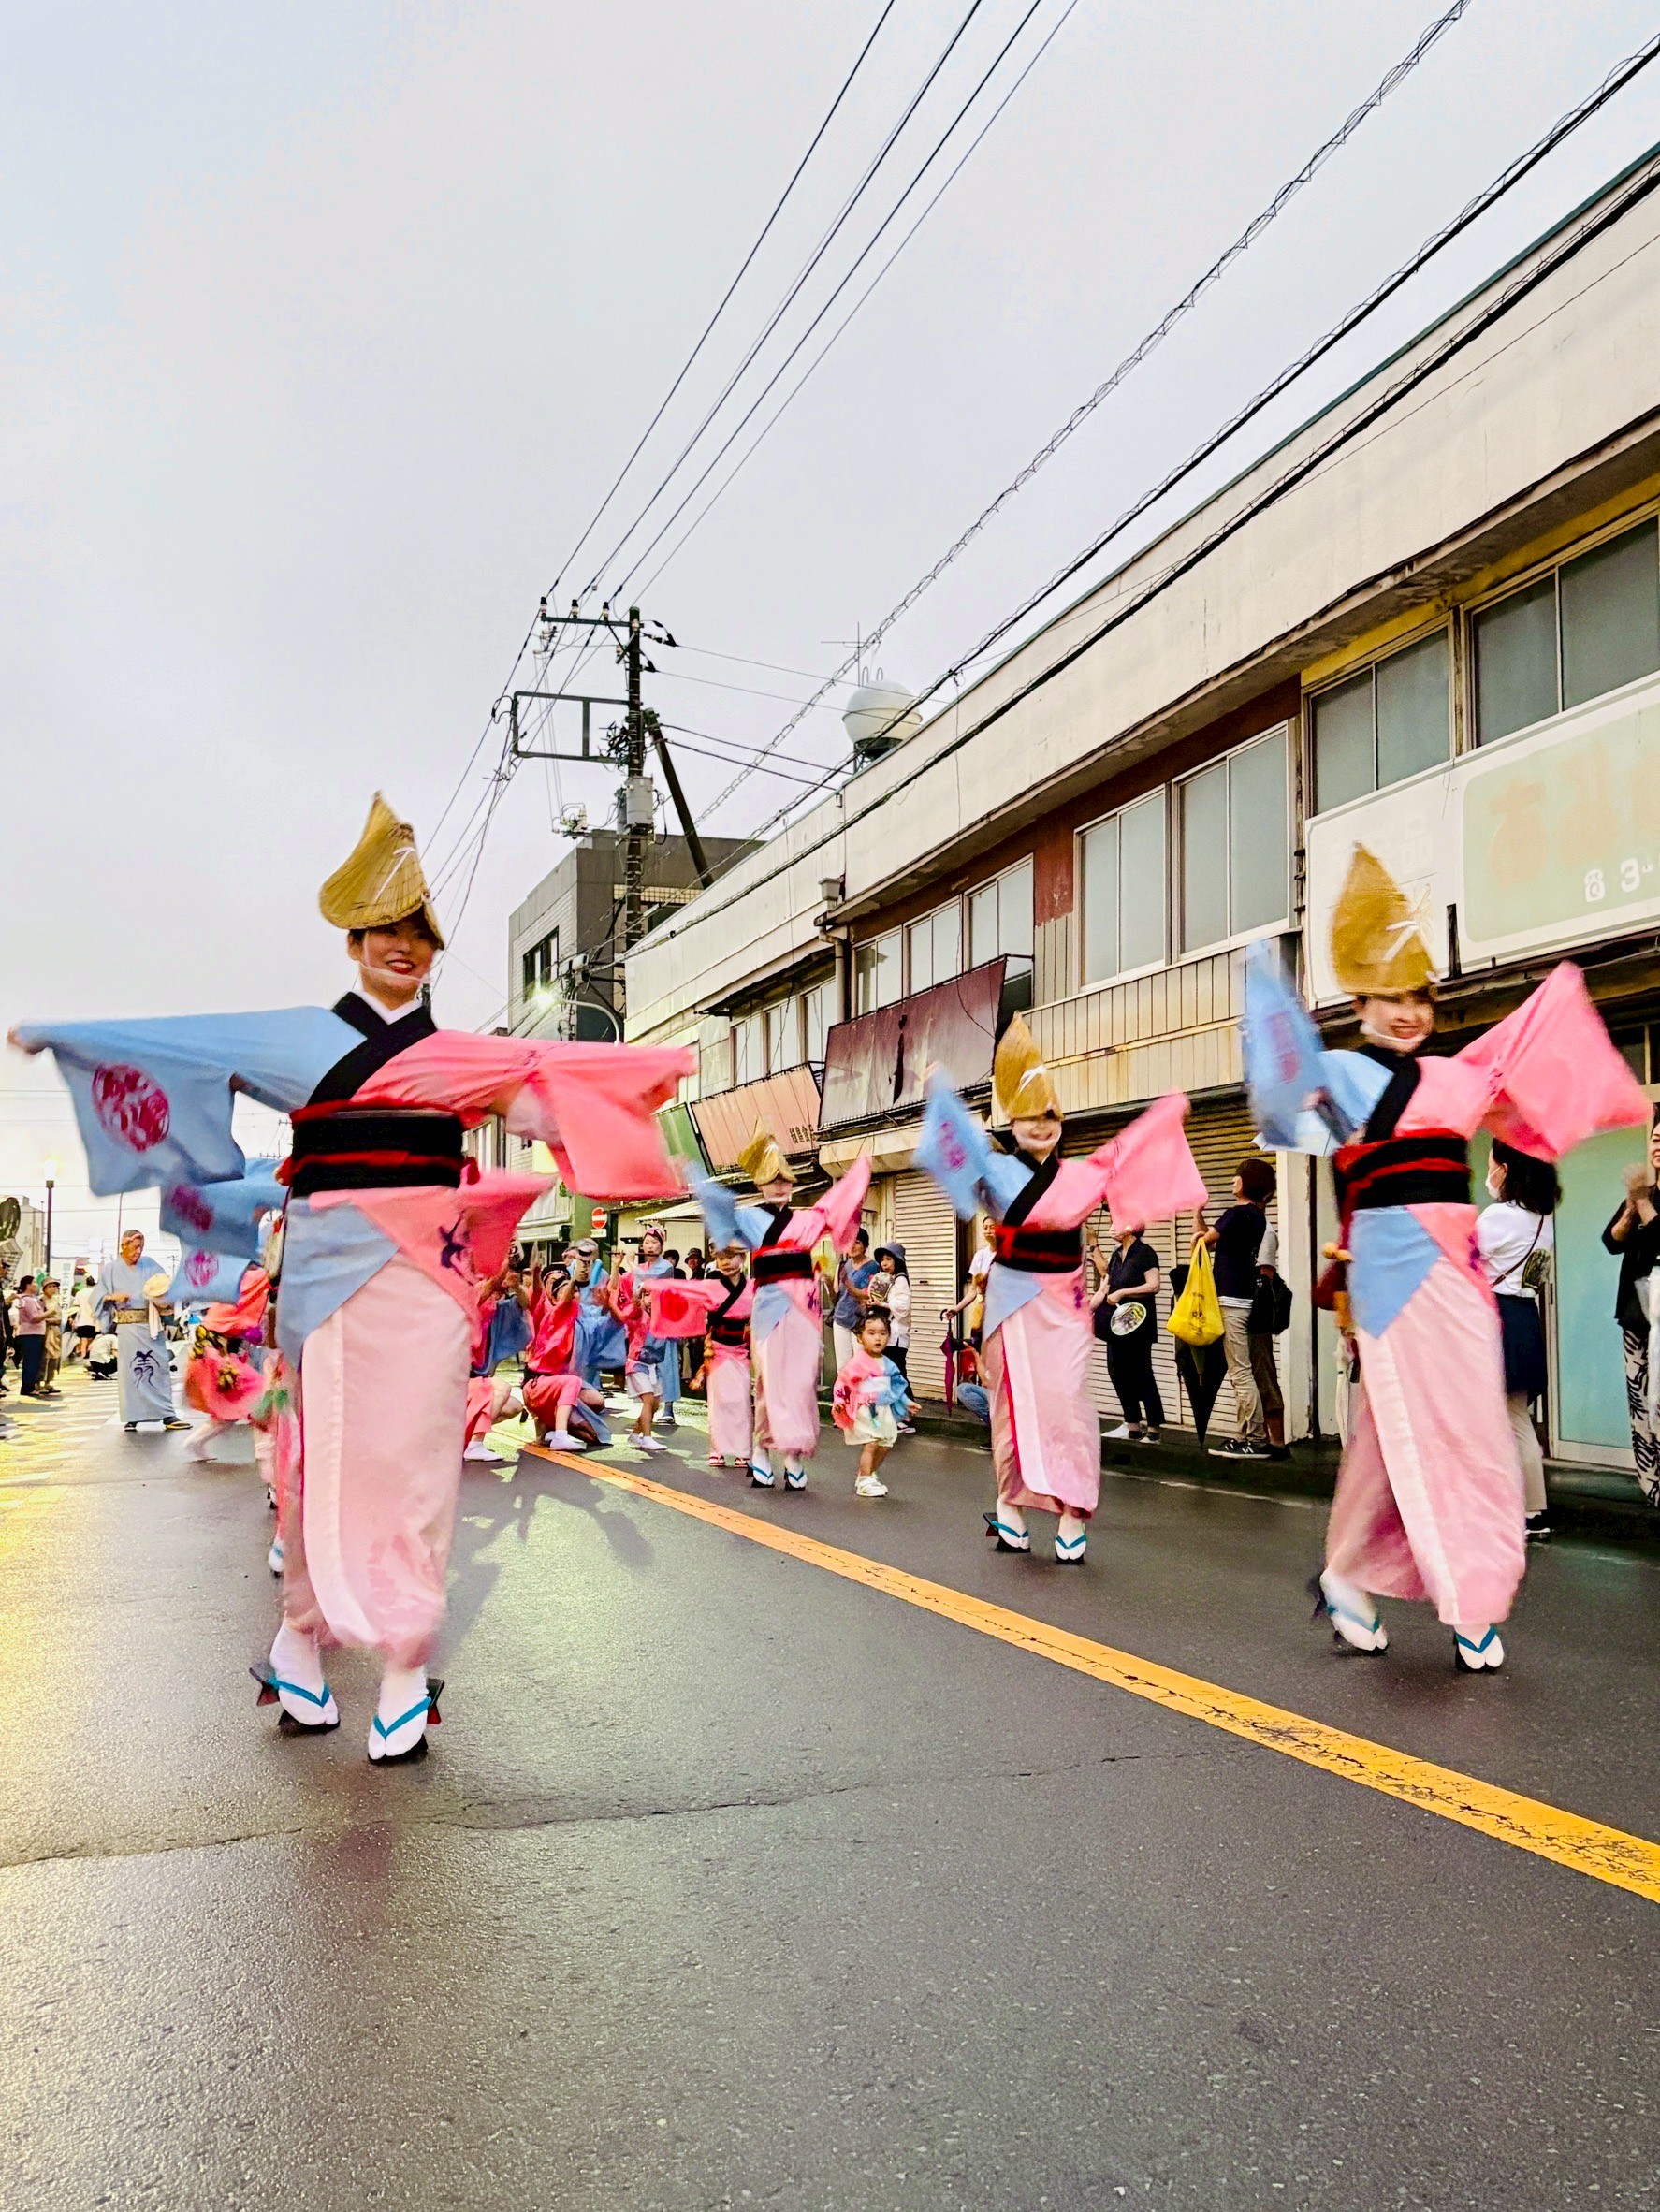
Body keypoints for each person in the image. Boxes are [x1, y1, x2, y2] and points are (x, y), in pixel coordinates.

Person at [13, 792, 690, 1761]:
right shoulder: (295, 1037)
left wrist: (652, 1075)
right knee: (315, 1464)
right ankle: (300, 1641)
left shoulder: (459, 1055)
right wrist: (70, 1038)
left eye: (418, 932)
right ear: (353, 939)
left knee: (418, 1467)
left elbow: (552, 1076)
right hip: (324, 1276)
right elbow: (187, 1046)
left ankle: (406, 1663)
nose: (402, 946)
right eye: (385, 930)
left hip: (429, 1282)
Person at [1244, 846, 1647, 1673]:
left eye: (1420, 997)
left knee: (1448, 1431)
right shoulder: (1344, 1074)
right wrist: (1267, 1001)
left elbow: (1516, 1078)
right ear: (1361, 1002)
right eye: (1391, 998)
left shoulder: (1453, 1076)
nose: (1408, 1012)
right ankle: (1467, 1597)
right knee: (1412, 1425)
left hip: (1458, 1273)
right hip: (1390, 1271)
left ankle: (1351, 1573)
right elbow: (1285, 1105)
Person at [916, 1014, 1204, 1565]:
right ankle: (1011, 1509)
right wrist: (939, 1090)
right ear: (1012, 1123)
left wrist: (1168, 1111)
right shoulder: (993, 1168)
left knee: (1070, 1407)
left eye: (1048, 1115)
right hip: (1009, 1302)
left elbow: (1127, 1149)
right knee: (1013, 1408)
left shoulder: (1082, 1173)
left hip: (1065, 1305)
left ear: (1061, 1119)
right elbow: (957, 1133)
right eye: (1027, 1118)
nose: (1040, 1126)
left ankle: (1073, 1510)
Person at [691, 1122, 870, 1492]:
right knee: (771, 1382)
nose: (780, 1186)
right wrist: (694, 1176)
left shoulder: (807, 1219)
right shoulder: (750, 1218)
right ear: (759, 1184)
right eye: (772, 1180)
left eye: (785, 1180)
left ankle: (792, 1455)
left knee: (801, 1383)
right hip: (770, 1306)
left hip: (803, 1308)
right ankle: (761, 1450)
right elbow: (721, 1211)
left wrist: (860, 1170)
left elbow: (837, 1205)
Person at [1478, 1139, 1558, 1541]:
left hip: (1496, 1317)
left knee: (1502, 1418)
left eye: (1490, 1162)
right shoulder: (1544, 1219)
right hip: (1526, 1317)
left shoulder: (1498, 1217)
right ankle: (1531, 1510)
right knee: (1517, 1416)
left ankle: (1519, 1510)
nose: (1487, 1169)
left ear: (1506, 1168)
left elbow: (1462, 1258)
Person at [1198, 1157, 1276, 1461]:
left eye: (1235, 1177)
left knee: (1240, 1373)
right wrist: (1201, 1218)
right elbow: (1215, 1243)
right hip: (1245, 1300)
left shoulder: (1235, 1214)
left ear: (1245, 1183)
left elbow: (1203, 1243)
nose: (1232, 1182)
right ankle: (1243, 1434)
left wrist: (1197, 1220)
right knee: (1241, 1371)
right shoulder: (1257, 1218)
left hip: (1231, 1301)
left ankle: (1255, 1439)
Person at [1601, 1113, 1660, 1507]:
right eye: (1655, 1137)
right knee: (1642, 1407)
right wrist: (1630, 1208)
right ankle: (1653, 1488)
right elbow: (1612, 1240)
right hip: (1637, 1318)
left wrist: (1640, 1200)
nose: (1657, 1144)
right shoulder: (1645, 1193)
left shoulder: (1646, 1196)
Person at [93, 1233, 185, 1429]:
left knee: (158, 1368)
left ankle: (167, 1414)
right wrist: (111, 1298)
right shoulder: (110, 1269)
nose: (138, 1252)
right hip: (127, 1328)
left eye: (141, 1247)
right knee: (131, 1371)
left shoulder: (150, 1265)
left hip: (151, 1324)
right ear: (123, 1245)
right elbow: (97, 1298)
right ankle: (132, 1415)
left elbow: (165, 1285)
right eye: (134, 1247)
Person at [1091, 1224, 1164, 1442]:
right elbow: (1106, 1281)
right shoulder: (1116, 1254)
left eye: (1117, 1222)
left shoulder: (1145, 1253)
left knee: (1142, 1373)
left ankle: (1154, 1429)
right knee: (1117, 1372)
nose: (1112, 1227)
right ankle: (1132, 1424)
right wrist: (1088, 1308)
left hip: (1138, 1321)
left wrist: (1123, 1292)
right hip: (1117, 1324)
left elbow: (1154, 1285)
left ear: (1131, 1228)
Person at [832, 1309, 914, 1498]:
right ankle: (865, 1480)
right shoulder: (857, 1362)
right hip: (865, 1409)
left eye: (882, 1333)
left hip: (883, 1409)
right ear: (860, 1338)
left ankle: (867, 1474)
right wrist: (839, 1401)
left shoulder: (888, 1363)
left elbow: (895, 1386)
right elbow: (843, 1383)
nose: (877, 1338)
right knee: (871, 1442)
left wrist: (906, 1402)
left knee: (886, 1443)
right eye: (871, 1333)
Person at [874, 1245, 914, 1430]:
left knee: (898, 1374)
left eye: (889, 1259)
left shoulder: (901, 1280)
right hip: (892, 1335)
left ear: (897, 1261)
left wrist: (882, 1304)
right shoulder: (893, 1280)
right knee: (893, 1373)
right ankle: (899, 1413)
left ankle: (907, 1415)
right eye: (883, 1260)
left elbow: (903, 1306)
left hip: (897, 1335)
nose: (884, 1263)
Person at [831, 1230, 877, 1371]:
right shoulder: (843, 1266)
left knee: (860, 1366)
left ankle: (861, 1394)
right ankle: (845, 1393)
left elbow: (871, 1296)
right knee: (843, 1367)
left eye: (857, 1242)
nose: (852, 1246)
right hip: (840, 1320)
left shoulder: (874, 1268)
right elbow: (836, 1297)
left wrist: (850, 1286)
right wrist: (826, 1282)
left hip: (861, 1323)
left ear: (865, 1246)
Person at [12, 1276, 48, 1398]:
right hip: (31, 1334)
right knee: (31, 1361)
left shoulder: (33, 1299)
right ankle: (28, 1387)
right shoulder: (27, 1300)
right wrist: (49, 1313)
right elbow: (34, 1317)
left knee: (34, 1361)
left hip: (35, 1333)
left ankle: (30, 1386)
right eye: (33, 1282)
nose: (36, 1285)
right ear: (27, 1285)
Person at [67, 1273, 99, 1362]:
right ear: (94, 1284)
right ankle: (91, 1356)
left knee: (83, 1339)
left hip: (82, 1319)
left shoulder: (80, 1293)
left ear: (86, 1283)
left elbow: (76, 1307)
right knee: (94, 1339)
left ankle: (83, 1355)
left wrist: (72, 1318)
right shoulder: (96, 1293)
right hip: (94, 1320)